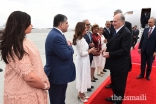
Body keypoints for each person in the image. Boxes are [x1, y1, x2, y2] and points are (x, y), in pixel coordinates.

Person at [0, 11, 49, 104]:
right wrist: (44, 85)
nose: (32, 25)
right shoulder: (15, 46)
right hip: (23, 96)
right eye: (29, 23)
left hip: (33, 91)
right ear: (21, 25)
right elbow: (29, 77)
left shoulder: (24, 41)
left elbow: (35, 64)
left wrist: (44, 78)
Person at [44, 14, 76, 104]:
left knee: (61, 99)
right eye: (66, 23)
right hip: (57, 75)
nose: (68, 25)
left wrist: (66, 46)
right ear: (61, 24)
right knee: (57, 100)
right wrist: (70, 47)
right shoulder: (56, 36)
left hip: (60, 74)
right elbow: (66, 55)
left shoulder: (57, 34)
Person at [103, 13, 132, 104]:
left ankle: (118, 100)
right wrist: (106, 48)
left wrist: (110, 54)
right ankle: (115, 97)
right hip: (115, 63)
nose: (113, 23)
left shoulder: (126, 33)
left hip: (121, 64)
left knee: (119, 84)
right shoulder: (115, 30)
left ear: (122, 22)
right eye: (113, 21)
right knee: (114, 82)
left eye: (115, 21)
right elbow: (114, 43)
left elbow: (125, 50)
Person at [73, 22, 96, 102]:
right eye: (85, 28)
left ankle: (82, 93)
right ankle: (80, 95)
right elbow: (81, 53)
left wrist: (90, 49)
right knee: (81, 77)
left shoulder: (82, 38)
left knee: (84, 76)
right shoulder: (79, 40)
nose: (86, 29)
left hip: (85, 60)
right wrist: (90, 50)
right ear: (81, 29)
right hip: (81, 61)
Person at [83, 19, 95, 91]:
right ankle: (84, 86)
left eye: (89, 24)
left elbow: (91, 41)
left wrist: (92, 44)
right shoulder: (82, 34)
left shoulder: (90, 33)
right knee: (85, 71)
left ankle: (88, 84)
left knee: (88, 69)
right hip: (85, 54)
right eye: (87, 24)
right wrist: (89, 45)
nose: (88, 26)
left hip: (90, 54)